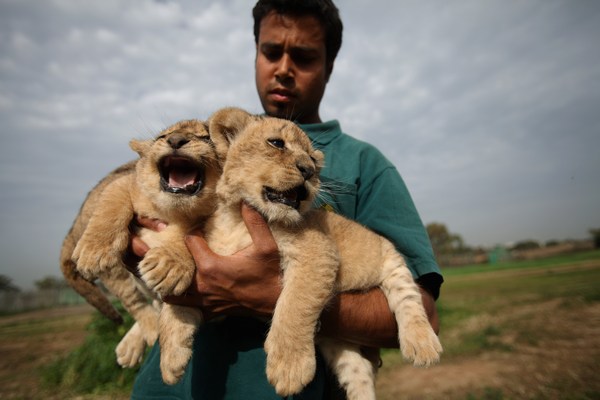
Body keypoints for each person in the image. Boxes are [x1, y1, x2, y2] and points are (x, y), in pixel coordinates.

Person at [129, 0, 443, 398]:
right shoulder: (216, 137)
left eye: (304, 57)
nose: (283, 69)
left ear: (329, 67)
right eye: (271, 52)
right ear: (255, 52)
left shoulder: (364, 164)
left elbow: (424, 316)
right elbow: (143, 196)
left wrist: (262, 295)